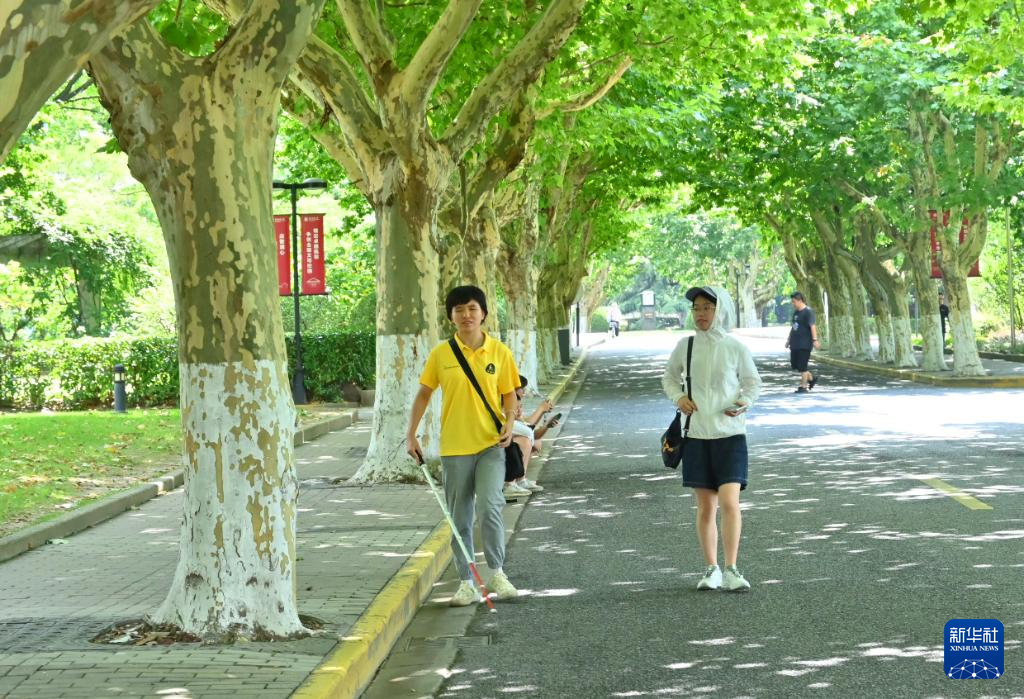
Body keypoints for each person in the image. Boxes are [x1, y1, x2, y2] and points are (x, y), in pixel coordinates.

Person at [406, 285, 520, 607]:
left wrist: (510, 422)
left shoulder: (499, 352)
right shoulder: (441, 354)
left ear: (483, 313)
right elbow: (424, 394)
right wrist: (411, 434)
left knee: (490, 507)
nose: (466, 315)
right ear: (451, 317)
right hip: (455, 448)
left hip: (490, 445)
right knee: (460, 518)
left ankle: (497, 572)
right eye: (459, 310)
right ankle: (467, 582)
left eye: (472, 308)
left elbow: (509, 393)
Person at [661, 285, 762, 592]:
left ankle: (732, 569)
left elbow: (752, 383)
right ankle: (711, 569)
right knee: (706, 507)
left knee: (730, 502)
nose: (701, 314)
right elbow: (669, 378)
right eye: (697, 308)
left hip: (730, 435)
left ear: (721, 311)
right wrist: (679, 398)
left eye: (707, 307)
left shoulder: (735, 347)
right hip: (696, 435)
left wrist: (743, 402)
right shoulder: (686, 346)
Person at [503, 376, 552, 498]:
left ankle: (520, 480)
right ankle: (510, 483)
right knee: (527, 440)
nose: (524, 393)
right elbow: (529, 430)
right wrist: (541, 409)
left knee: (533, 441)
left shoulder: (516, 401)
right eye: (522, 389)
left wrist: (545, 424)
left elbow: (528, 426)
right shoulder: (506, 402)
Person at [784, 291, 820, 393]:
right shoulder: (796, 313)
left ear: (800, 300)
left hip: (805, 344)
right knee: (796, 365)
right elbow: (794, 327)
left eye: (794, 301)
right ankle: (811, 379)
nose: (793, 304)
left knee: (803, 366)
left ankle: (803, 387)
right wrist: (789, 340)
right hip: (795, 343)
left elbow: (812, 326)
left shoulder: (808, 312)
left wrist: (815, 340)